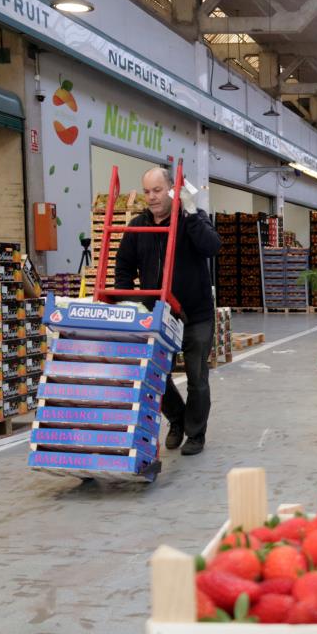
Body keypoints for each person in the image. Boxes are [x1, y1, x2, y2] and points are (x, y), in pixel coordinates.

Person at [115, 167, 221, 456]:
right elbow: (123, 268)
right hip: (158, 315)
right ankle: (177, 420)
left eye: (157, 190)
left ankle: (196, 434)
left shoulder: (191, 221)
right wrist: (130, 303)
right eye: (147, 191)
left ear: (171, 190)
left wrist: (191, 210)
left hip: (195, 314)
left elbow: (212, 247)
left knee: (197, 378)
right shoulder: (138, 227)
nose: (151, 197)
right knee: (156, 375)